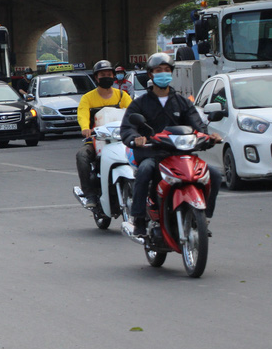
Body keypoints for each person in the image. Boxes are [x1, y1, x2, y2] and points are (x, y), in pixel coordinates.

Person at [120, 52, 222, 237]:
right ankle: (139, 220)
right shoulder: (140, 103)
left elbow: (197, 127)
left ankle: (204, 218)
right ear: (150, 74)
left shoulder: (182, 102)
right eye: (158, 71)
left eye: (167, 70)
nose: (163, 74)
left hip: (182, 154)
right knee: (144, 171)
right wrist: (136, 139)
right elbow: (128, 128)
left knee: (213, 174)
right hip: (153, 154)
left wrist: (208, 138)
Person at [75, 60, 132, 209]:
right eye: (102, 75)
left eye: (109, 74)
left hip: (120, 140)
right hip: (95, 140)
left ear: (113, 76)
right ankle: (90, 195)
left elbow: (133, 112)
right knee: (82, 156)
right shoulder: (88, 98)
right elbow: (82, 114)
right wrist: (85, 128)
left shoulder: (122, 96)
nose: (106, 77)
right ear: (96, 78)